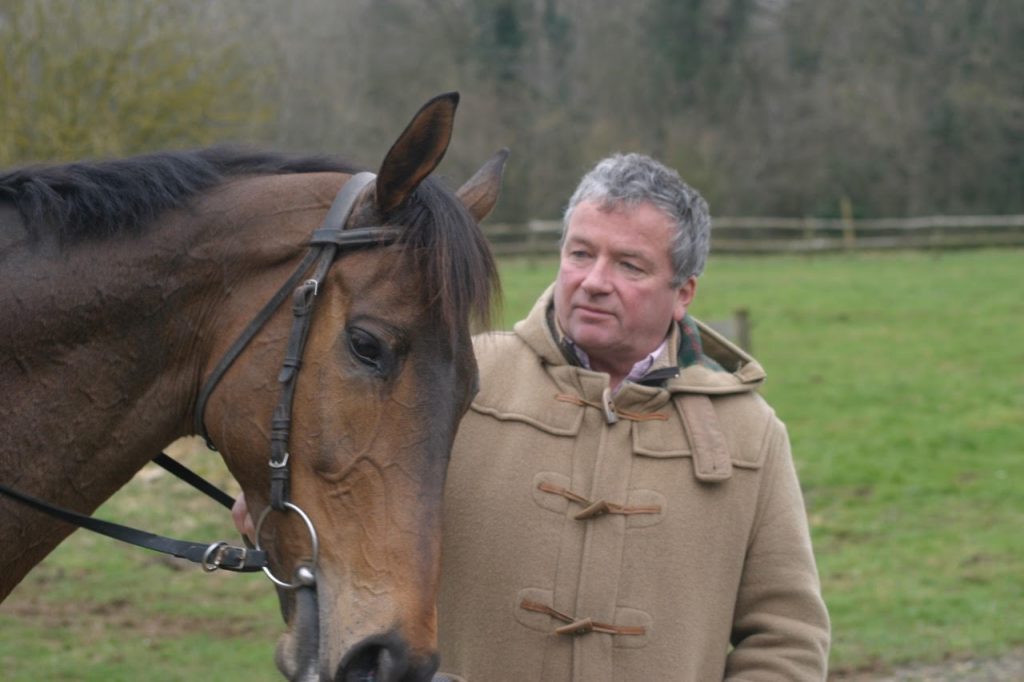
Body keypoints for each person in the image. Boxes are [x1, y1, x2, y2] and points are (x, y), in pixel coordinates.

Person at [235, 153, 830, 680]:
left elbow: (786, 636)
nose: (594, 282)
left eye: (629, 265)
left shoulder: (749, 433)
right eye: (580, 253)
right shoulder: (456, 384)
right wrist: (272, 500)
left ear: (684, 293)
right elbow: (336, 516)